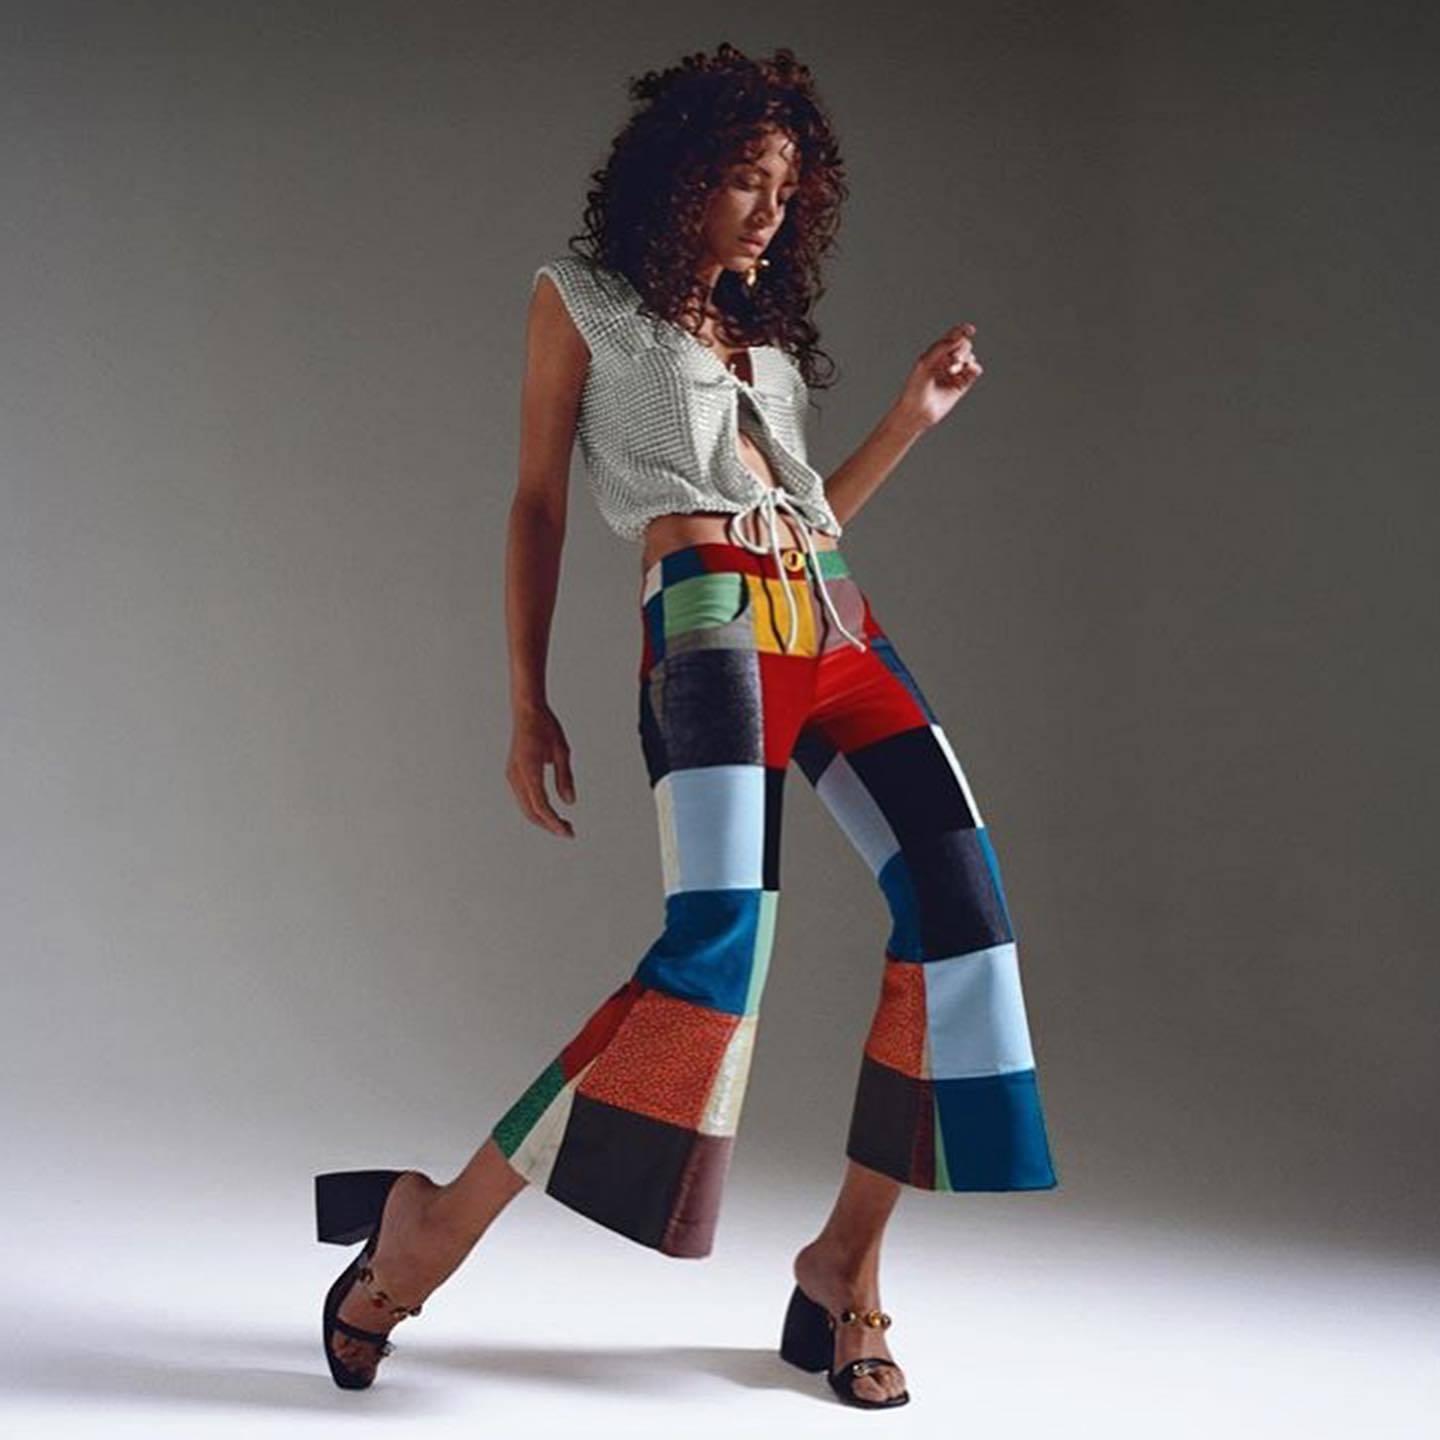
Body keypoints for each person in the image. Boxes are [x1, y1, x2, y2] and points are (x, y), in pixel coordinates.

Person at [315, 41, 1058, 1411]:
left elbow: (810, 515)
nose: (771, 209)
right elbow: (538, 501)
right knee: (718, 947)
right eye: (744, 178)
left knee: (964, 906)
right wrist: (526, 695)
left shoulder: (757, 336)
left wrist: (908, 419)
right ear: (679, 176)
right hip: (709, 622)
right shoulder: (583, 301)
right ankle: (429, 1230)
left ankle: (845, 1262)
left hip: (833, 618)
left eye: (788, 185)